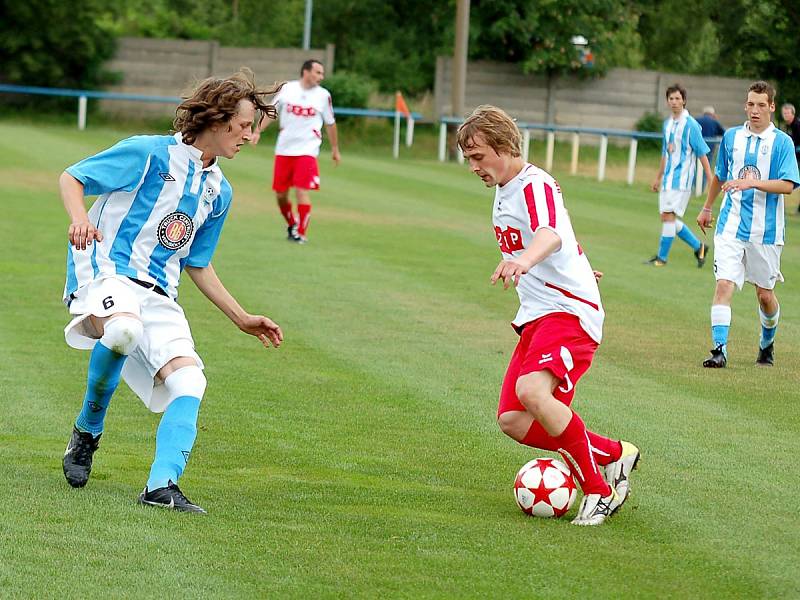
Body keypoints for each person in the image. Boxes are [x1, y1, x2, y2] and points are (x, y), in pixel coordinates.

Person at [59, 69, 284, 513]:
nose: (249, 136)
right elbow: (73, 178)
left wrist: (241, 318)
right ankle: (87, 431)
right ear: (217, 122)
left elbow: (197, 263)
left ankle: (161, 487)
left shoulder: (219, 191)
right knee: (123, 330)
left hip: (160, 294)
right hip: (108, 272)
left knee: (190, 381)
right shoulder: (148, 153)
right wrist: (79, 219)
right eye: (243, 126)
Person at [457, 105, 639, 526]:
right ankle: (614, 454)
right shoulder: (507, 187)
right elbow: (563, 236)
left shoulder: (533, 183)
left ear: (503, 146)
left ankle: (597, 491)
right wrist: (576, 266)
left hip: (568, 312)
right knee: (513, 420)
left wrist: (524, 259)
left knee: (534, 393)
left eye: (478, 156)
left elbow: (550, 233)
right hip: (540, 314)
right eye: (469, 159)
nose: (473, 167)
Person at [697, 81, 799, 368]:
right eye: (751, 104)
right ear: (746, 105)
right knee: (724, 285)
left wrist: (751, 182)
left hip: (765, 232)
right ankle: (719, 351)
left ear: (772, 107)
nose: (755, 110)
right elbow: (719, 175)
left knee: (765, 295)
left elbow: (789, 185)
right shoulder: (731, 137)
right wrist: (707, 206)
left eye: (761, 105)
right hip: (731, 226)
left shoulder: (781, 142)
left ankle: (767, 344)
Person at [251, 59, 340, 244]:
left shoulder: (323, 95)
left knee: (301, 190)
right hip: (284, 149)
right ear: (306, 72)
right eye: (318, 72)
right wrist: (258, 131)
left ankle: (301, 232)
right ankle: (292, 223)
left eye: (322, 73)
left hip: (308, 150)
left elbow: (330, 123)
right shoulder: (288, 89)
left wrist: (334, 148)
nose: (321, 77)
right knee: (281, 194)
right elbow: (271, 111)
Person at [647, 84, 713, 268]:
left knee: (668, 217)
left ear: (684, 100)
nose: (674, 102)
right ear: (667, 101)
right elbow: (665, 154)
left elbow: (702, 153)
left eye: (678, 98)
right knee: (668, 218)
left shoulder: (691, 124)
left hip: (682, 181)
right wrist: (658, 177)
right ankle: (699, 247)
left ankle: (662, 258)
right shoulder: (667, 124)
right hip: (668, 180)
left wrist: (710, 180)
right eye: (671, 98)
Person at [694, 106, 726, 189]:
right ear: (712, 114)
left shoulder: (696, 120)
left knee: (695, 169)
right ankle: (701, 188)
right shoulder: (714, 122)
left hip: (696, 149)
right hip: (709, 149)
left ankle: (694, 187)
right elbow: (723, 133)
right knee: (705, 169)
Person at [780, 103, 800, 212]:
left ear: (793, 114)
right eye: (784, 113)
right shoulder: (788, 127)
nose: (786, 115)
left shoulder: (797, 125)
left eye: (788, 113)